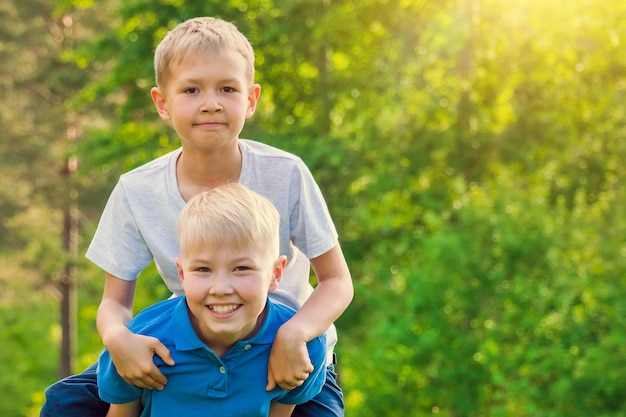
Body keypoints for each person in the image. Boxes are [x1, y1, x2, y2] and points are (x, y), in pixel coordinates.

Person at [41, 16, 353, 417]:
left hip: (286, 351)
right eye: (191, 89)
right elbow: (114, 302)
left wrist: (297, 332)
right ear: (162, 103)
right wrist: (118, 338)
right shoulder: (138, 190)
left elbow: (337, 281)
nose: (211, 102)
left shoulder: (286, 173)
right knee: (65, 404)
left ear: (251, 98)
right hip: (193, 346)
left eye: (227, 88)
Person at [97, 183, 327, 417]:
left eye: (241, 268)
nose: (220, 288)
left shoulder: (303, 350)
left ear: (275, 274)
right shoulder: (139, 342)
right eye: (203, 269)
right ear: (182, 274)